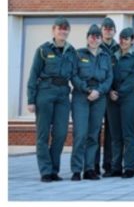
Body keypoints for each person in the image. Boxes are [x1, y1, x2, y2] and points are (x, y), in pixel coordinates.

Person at [27, 16, 78, 182]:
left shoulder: (72, 51)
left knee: (61, 133)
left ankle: (54, 170)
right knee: (43, 134)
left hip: (63, 94)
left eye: (65, 28)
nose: (63, 31)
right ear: (53, 30)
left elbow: (75, 75)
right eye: (59, 28)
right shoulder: (43, 50)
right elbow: (33, 75)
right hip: (45, 93)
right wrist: (31, 99)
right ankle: (45, 171)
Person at [70, 24, 113, 181]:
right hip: (81, 96)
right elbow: (73, 75)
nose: (94, 39)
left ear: (101, 39)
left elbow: (109, 78)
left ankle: (89, 169)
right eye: (92, 36)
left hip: (99, 97)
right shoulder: (78, 54)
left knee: (93, 135)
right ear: (87, 38)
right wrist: (86, 90)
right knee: (80, 134)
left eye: (97, 37)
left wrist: (99, 91)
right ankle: (76, 169)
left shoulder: (106, 57)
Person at [107, 27, 134, 178]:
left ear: (132, 41)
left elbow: (133, 79)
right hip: (112, 98)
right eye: (122, 38)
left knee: (128, 134)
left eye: (127, 38)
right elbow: (107, 74)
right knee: (115, 135)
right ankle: (116, 167)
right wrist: (110, 90)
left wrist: (119, 92)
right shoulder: (111, 56)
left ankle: (129, 167)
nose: (123, 41)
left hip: (128, 98)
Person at [97, 17, 119, 175]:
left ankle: (109, 164)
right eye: (105, 28)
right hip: (99, 94)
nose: (108, 30)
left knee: (111, 132)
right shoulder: (96, 46)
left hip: (113, 95)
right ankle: (93, 165)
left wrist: (113, 90)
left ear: (114, 31)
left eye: (110, 28)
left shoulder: (119, 48)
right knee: (95, 130)